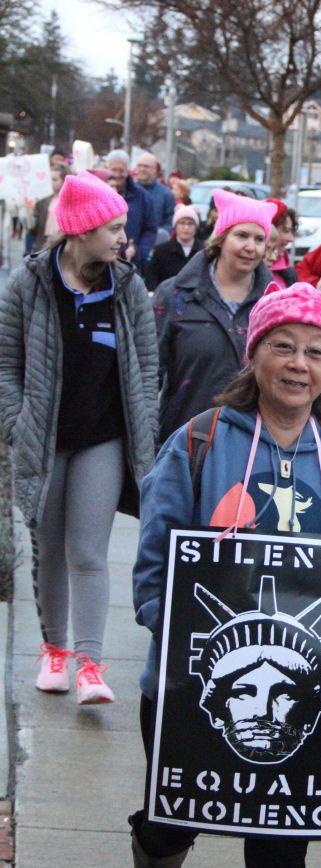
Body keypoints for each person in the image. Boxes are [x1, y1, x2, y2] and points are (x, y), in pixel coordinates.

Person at [112, 282, 321, 868]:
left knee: (280, 851)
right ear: (254, 351)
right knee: (171, 819)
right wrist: (172, 637)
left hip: (299, 698)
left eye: (317, 351)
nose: (299, 364)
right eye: (283, 346)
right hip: (192, 687)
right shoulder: (200, 438)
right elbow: (156, 556)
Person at [0, 171, 158, 703]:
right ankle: (55, 652)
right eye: (112, 228)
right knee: (49, 549)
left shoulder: (128, 286)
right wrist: (14, 423)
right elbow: (5, 364)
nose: (121, 237)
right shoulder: (29, 283)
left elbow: (147, 367)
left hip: (103, 438)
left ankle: (90, 665)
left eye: (123, 227)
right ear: (82, 230)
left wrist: (145, 426)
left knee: (89, 550)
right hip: (42, 439)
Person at [154, 189, 275, 443]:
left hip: (252, 442)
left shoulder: (274, 302)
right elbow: (150, 373)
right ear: (221, 238)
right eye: (241, 235)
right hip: (184, 437)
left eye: (259, 239)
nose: (250, 247)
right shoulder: (175, 295)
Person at [106, 149, 157, 270]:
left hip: (131, 263)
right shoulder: (98, 194)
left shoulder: (143, 197)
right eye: (114, 170)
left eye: (121, 170)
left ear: (128, 171)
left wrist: (138, 250)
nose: (117, 174)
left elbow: (150, 229)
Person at [145, 205, 202, 291]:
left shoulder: (203, 252)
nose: (186, 227)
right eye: (182, 223)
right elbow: (152, 279)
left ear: (196, 227)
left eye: (190, 223)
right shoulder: (161, 251)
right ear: (175, 226)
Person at [30, 164, 71, 252]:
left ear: (64, 181)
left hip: (62, 243)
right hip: (43, 242)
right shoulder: (44, 199)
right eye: (49, 179)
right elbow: (33, 226)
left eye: (55, 179)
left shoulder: (70, 200)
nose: (51, 182)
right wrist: (29, 208)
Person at [135, 152, 175, 235]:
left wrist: (159, 236)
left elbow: (169, 222)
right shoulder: (128, 191)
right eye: (140, 165)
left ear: (154, 170)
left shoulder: (166, 194)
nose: (142, 169)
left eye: (146, 166)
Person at [265, 198, 299, 288]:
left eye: (292, 231)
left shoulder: (289, 274)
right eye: (286, 230)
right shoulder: (246, 274)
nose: (291, 238)